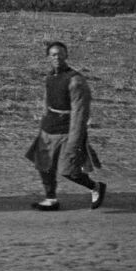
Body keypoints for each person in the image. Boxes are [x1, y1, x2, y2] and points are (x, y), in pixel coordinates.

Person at [25, 40, 107, 210]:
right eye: (53, 54)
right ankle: (51, 199)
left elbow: (80, 112)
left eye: (60, 54)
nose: (57, 57)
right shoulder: (50, 77)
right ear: (48, 57)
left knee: (68, 170)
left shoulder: (76, 80)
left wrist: (75, 141)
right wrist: (43, 120)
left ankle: (95, 187)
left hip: (67, 131)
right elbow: (47, 101)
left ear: (66, 55)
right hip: (48, 129)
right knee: (43, 164)